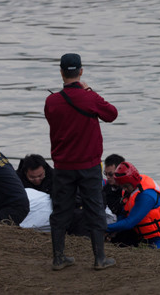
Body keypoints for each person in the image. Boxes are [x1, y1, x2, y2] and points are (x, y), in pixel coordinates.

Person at [44, 53, 118, 271]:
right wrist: (88, 91)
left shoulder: (51, 101)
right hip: (89, 166)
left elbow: (52, 119)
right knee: (94, 210)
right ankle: (99, 259)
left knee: (60, 211)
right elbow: (112, 114)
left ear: (61, 72)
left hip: (63, 167)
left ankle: (58, 258)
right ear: (81, 72)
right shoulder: (89, 98)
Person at [107, 162, 160, 249]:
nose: (124, 189)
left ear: (132, 181)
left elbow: (129, 223)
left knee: (151, 257)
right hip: (145, 237)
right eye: (122, 186)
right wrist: (114, 230)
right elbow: (123, 213)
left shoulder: (146, 196)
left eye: (126, 186)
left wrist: (105, 228)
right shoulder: (130, 190)